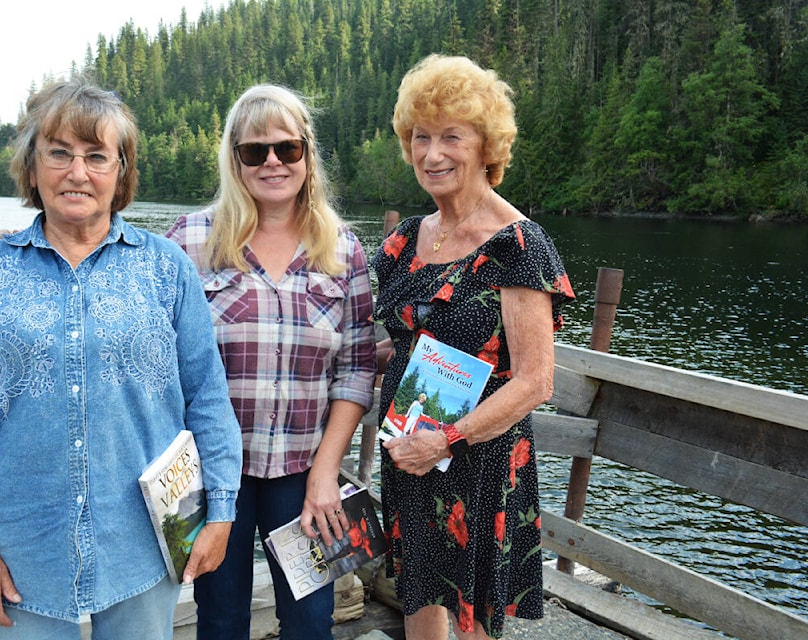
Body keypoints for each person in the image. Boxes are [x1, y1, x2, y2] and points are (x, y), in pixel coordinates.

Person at [0, 78, 242, 639]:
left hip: (144, 548)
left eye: (97, 156)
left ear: (121, 171)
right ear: (32, 164)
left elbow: (208, 398)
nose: (77, 172)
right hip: (21, 559)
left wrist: (221, 510)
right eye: (59, 153)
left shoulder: (166, 271)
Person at [372, 54, 575, 639]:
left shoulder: (518, 245)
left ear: (487, 147)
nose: (432, 154)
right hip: (412, 448)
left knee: (471, 620)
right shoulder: (406, 241)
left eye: (451, 137)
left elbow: (536, 380)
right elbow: (404, 342)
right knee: (419, 601)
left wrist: (447, 438)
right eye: (420, 137)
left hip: (478, 457)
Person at [165, 84, 376, 639]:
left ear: (308, 154)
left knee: (311, 621)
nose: (274, 162)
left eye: (288, 148)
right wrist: (36, 251)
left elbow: (356, 369)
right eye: (255, 151)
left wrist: (327, 474)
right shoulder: (187, 241)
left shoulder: (343, 248)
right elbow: (119, 307)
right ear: (234, 160)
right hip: (215, 477)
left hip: (305, 471)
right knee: (220, 618)